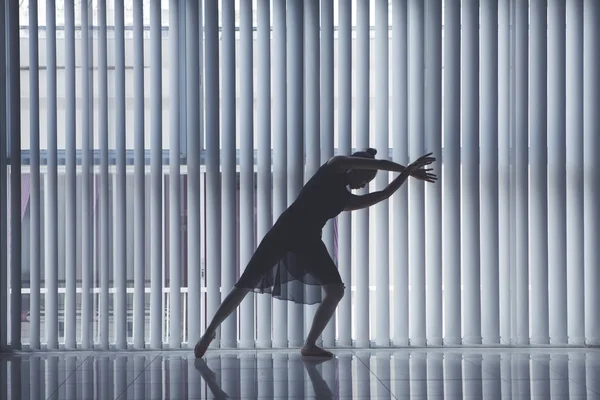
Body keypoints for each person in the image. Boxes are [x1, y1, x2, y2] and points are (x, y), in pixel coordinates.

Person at [194, 148, 437, 359]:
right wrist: (408, 169)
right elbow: (382, 165)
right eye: (365, 178)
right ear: (356, 168)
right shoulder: (335, 165)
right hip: (284, 232)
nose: (365, 185)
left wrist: (405, 174)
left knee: (336, 290)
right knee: (245, 284)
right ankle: (209, 332)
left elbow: (381, 195)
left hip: (308, 241)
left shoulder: (344, 199)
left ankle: (310, 345)